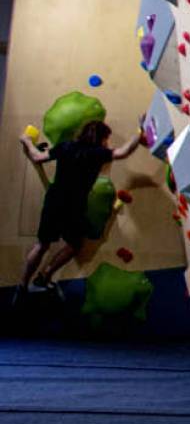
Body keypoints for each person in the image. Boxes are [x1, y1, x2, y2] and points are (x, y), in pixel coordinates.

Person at [16, 119, 141, 297]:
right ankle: (45, 276)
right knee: (74, 245)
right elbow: (124, 152)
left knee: (42, 244)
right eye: (107, 139)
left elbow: (37, 157)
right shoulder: (97, 153)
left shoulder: (66, 146)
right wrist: (140, 132)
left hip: (54, 200)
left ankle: (22, 286)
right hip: (74, 205)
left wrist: (26, 140)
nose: (108, 143)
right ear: (101, 138)